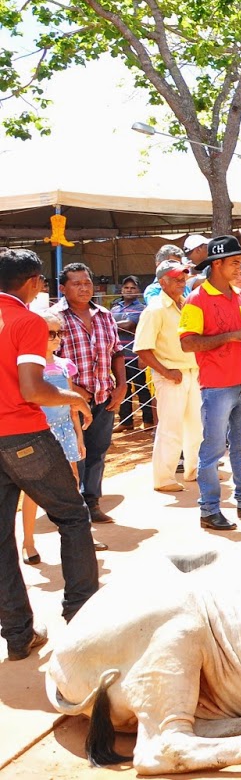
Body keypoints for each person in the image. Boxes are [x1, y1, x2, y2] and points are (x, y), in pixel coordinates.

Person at [0, 250, 101, 659]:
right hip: (23, 434)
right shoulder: (26, 321)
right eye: (42, 282)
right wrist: (74, 397)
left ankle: (18, 634)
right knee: (74, 517)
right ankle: (84, 618)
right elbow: (32, 389)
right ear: (32, 282)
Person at [179, 236, 241, 531]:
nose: (240, 267)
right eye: (235, 262)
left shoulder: (239, 295)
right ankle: (209, 509)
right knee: (212, 450)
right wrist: (230, 336)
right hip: (217, 385)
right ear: (218, 264)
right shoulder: (196, 299)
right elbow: (187, 344)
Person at [18, 309, 92, 565]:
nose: (56, 338)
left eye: (58, 333)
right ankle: (28, 541)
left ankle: (81, 538)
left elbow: (71, 405)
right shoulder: (28, 368)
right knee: (33, 489)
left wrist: (79, 436)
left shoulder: (64, 365)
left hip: (65, 431)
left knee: (72, 483)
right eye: (50, 333)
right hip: (39, 433)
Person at [52, 263, 124, 526]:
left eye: (87, 282)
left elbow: (117, 352)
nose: (84, 288)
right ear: (63, 288)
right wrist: (75, 391)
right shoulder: (54, 319)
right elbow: (48, 359)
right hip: (69, 401)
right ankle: (74, 505)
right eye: (77, 283)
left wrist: (122, 385)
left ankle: (92, 501)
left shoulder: (104, 315)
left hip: (104, 396)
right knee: (74, 452)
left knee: (98, 451)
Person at [132, 259, 202, 495]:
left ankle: (193, 469)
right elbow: (142, 349)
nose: (182, 281)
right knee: (170, 427)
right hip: (171, 374)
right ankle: (163, 478)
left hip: (192, 372)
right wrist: (166, 372)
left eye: (183, 277)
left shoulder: (185, 304)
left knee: (196, 425)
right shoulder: (155, 309)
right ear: (162, 282)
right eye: (176, 278)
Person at [111, 275, 153, 431]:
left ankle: (148, 420)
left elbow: (129, 325)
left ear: (138, 291)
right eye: (126, 288)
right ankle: (126, 421)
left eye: (133, 288)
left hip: (136, 355)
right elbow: (120, 326)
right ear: (121, 290)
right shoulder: (115, 308)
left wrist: (109, 324)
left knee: (142, 388)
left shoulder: (142, 309)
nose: (129, 290)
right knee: (122, 388)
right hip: (119, 356)